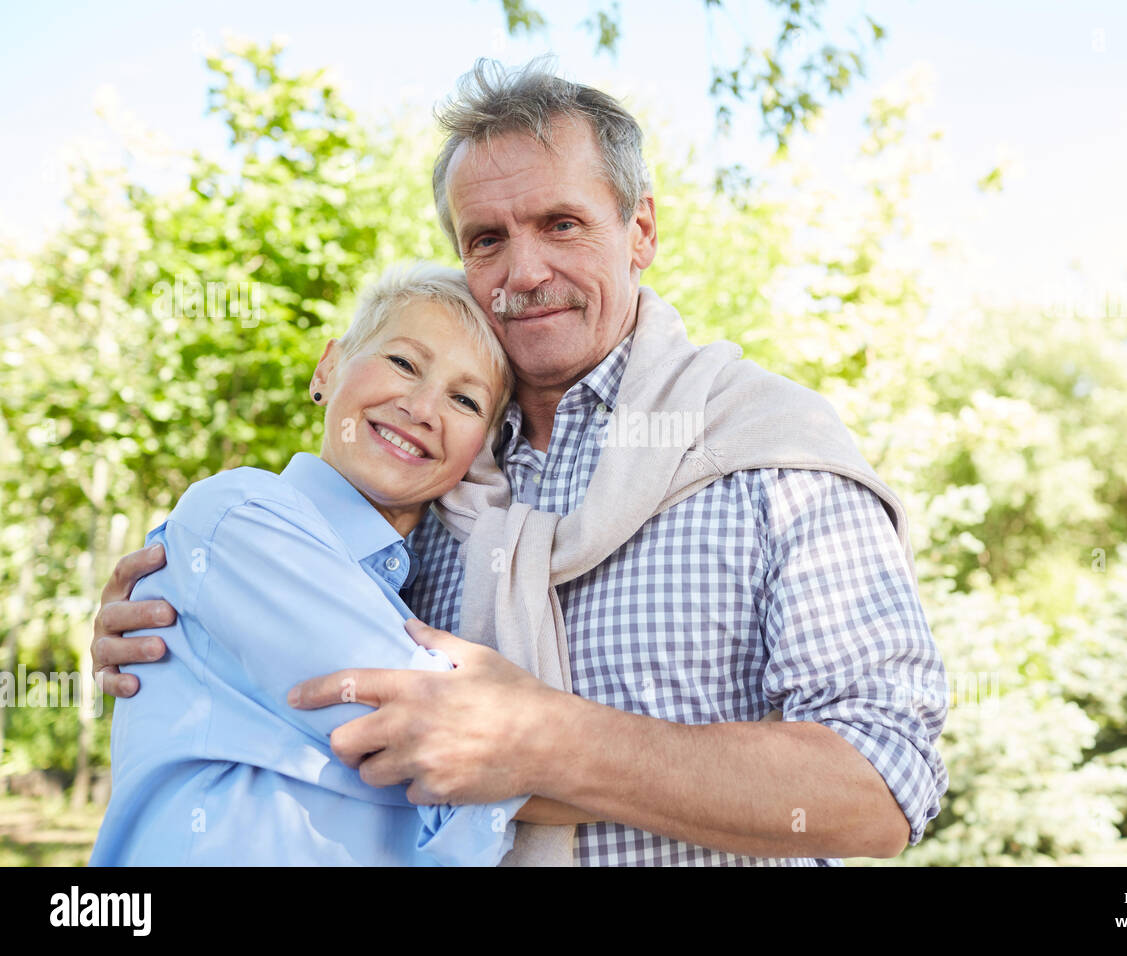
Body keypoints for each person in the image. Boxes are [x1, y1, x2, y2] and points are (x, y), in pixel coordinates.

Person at [93, 58, 949, 866]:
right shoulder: (427, 471)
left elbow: (881, 782)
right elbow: (319, 698)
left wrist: (544, 740)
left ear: (640, 229)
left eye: (562, 224)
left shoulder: (768, 451)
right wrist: (179, 616)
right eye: (487, 238)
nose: (524, 270)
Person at [90, 263, 528, 866]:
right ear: (328, 368)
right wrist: (645, 777)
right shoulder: (237, 515)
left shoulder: (414, 599)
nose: (424, 407)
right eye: (403, 362)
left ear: (482, 449)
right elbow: (453, 746)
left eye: (465, 399)